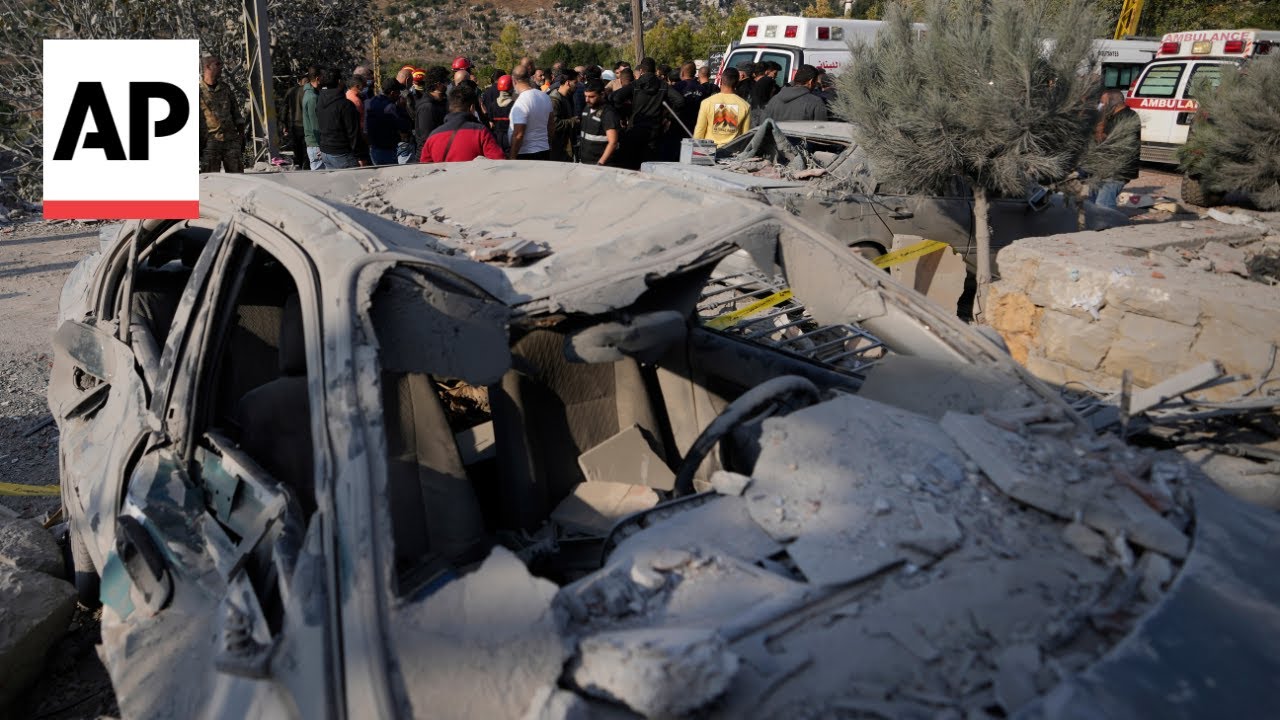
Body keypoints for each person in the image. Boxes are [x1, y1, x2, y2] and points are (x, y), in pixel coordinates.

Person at [610, 57, 683, 167]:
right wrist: (668, 117)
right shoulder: (662, 85)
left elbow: (615, 97)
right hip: (655, 130)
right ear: (654, 70)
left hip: (635, 127)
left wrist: (624, 114)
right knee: (650, 166)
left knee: (632, 165)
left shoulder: (636, 84)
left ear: (641, 70)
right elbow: (679, 100)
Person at [418, 85, 505, 163]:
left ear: (449, 107)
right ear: (472, 108)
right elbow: (499, 162)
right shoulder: (481, 133)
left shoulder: (433, 136)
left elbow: (425, 167)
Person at [1089, 89, 1142, 209]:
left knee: (1103, 205)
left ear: (1112, 103)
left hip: (1118, 170)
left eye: (1103, 103)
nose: (1100, 106)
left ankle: (1108, 222)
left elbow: (1109, 142)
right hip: (1104, 168)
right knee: (1091, 202)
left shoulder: (1128, 118)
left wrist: (1100, 123)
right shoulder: (1112, 117)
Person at [198, 55, 245, 173]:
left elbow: (236, 113)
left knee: (238, 177)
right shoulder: (198, 91)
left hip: (231, 140)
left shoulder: (225, 88)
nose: (221, 67)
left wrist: (241, 134)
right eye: (218, 64)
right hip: (210, 142)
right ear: (208, 67)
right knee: (210, 180)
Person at [316, 68, 362, 168]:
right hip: (342, 153)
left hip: (325, 151)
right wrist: (360, 156)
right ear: (339, 82)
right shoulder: (345, 104)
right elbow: (354, 133)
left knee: (335, 183)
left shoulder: (319, 99)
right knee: (353, 183)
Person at [694, 67, 751, 147]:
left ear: (721, 81)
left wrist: (695, 153)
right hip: (733, 153)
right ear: (737, 83)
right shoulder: (745, 106)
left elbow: (699, 132)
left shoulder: (707, 103)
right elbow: (745, 136)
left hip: (709, 151)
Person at [508, 67, 554, 160]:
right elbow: (551, 125)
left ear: (514, 80)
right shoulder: (545, 96)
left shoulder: (521, 101)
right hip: (544, 150)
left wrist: (512, 157)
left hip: (526, 154)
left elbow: (518, 134)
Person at [367, 79, 412, 165]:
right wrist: (401, 108)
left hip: (374, 147)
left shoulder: (373, 100)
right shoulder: (389, 107)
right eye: (398, 91)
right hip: (387, 149)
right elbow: (404, 126)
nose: (399, 94)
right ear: (392, 93)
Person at [762, 64, 829, 122]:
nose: (815, 85)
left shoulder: (774, 100)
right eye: (815, 82)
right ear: (810, 82)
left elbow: (763, 124)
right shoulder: (816, 102)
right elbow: (820, 132)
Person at [578, 80, 621, 167]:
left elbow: (613, 142)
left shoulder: (608, 113)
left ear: (602, 94)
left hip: (600, 165)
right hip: (585, 162)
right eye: (585, 96)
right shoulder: (587, 108)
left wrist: (600, 163)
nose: (587, 100)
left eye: (591, 96)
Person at [415, 67, 450, 159]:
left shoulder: (442, 102)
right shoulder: (427, 107)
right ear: (438, 84)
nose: (448, 84)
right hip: (429, 158)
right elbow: (427, 138)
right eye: (446, 81)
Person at [548, 71, 580, 162]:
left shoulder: (567, 97)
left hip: (566, 145)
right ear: (568, 83)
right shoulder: (554, 100)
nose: (577, 85)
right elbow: (555, 124)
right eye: (575, 82)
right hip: (558, 149)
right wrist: (573, 121)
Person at [281, 71, 310, 170]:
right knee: (307, 148)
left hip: (294, 125)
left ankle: (301, 164)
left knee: (297, 148)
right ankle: (306, 166)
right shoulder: (309, 91)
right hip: (307, 125)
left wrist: (283, 124)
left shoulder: (290, 92)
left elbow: (284, 109)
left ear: (298, 81)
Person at [483, 74, 516, 154]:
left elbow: (491, 123)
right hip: (509, 139)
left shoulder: (493, 105)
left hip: (496, 139)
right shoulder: (514, 105)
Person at [301, 66, 324, 169]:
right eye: (323, 77)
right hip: (316, 144)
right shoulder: (312, 98)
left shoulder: (311, 93)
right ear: (318, 79)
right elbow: (316, 124)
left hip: (314, 143)